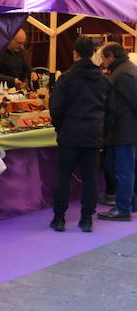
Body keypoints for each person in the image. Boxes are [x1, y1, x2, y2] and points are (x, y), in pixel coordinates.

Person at [48, 36, 113, 233]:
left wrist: (61, 128)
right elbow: (111, 111)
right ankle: (86, 219)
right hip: (93, 135)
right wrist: (103, 134)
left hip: (69, 134)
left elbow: (56, 108)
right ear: (93, 53)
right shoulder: (104, 80)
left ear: (75, 53)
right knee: (90, 177)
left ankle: (59, 218)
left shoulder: (66, 78)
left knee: (63, 177)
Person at [97, 43, 137, 222]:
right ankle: (128, 202)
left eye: (103, 58)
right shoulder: (126, 70)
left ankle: (123, 208)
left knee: (123, 169)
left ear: (111, 55)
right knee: (118, 167)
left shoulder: (123, 74)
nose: (102, 62)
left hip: (125, 130)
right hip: (123, 129)